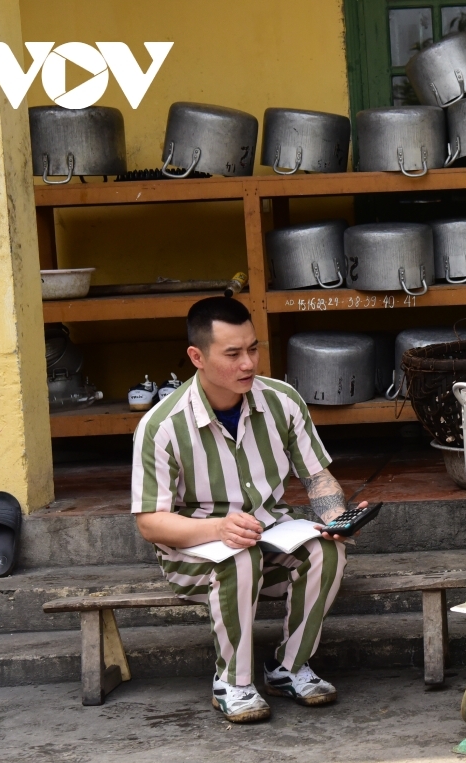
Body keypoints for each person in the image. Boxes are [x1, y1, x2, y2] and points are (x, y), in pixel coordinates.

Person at [131, 297, 364, 723]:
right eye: (233, 354)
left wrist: (336, 519)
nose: (248, 364)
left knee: (326, 550)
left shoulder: (282, 401)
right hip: (195, 554)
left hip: (270, 534)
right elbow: (150, 523)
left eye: (253, 349)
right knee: (239, 555)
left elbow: (317, 477)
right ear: (196, 357)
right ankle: (232, 683)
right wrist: (219, 528)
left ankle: (291, 669)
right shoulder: (162, 426)